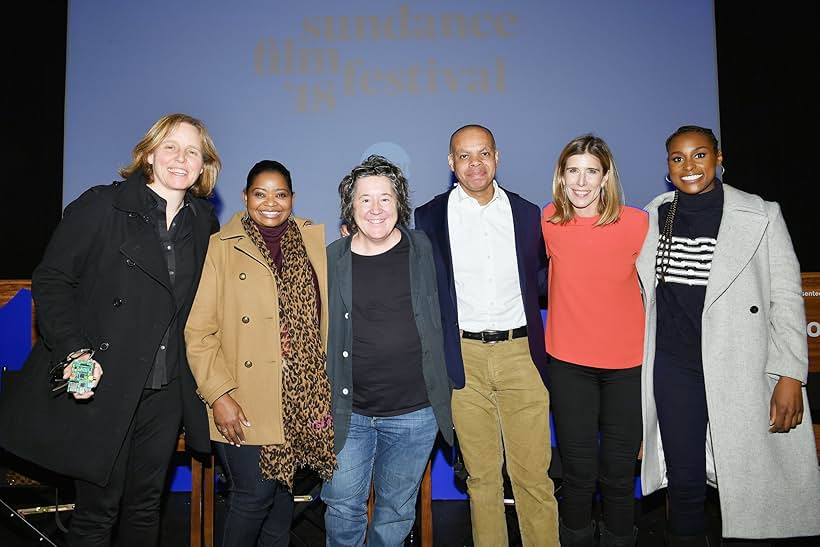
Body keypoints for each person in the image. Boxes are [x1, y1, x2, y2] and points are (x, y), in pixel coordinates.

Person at [0, 113, 221, 546]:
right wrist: (77, 356)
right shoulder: (104, 205)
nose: (181, 158)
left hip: (166, 390)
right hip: (105, 383)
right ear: (149, 155)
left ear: (204, 165)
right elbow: (52, 281)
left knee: (144, 509)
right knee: (97, 512)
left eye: (192, 151)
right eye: (171, 147)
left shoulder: (202, 223)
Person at [637, 125, 820, 544]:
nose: (689, 166)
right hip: (674, 365)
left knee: (751, 478)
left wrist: (791, 374)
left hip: (740, 363)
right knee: (683, 480)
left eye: (699, 155)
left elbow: (787, 298)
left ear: (719, 158)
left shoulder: (761, 214)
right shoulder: (654, 216)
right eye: (678, 158)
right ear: (667, 169)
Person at [414, 125, 559, 546]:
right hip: (463, 360)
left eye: (483, 154)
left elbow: (548, 278)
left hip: (521, 355)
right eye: (464, 155)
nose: (474, 163)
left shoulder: (529, 213)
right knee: (481, 479)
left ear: (497, 156)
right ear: (450, 163)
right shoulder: (428, 218)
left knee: (533, 476)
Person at [185, 160, 335, 546]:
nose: (271, 202)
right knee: (254, 496)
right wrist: (219, 395)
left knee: (282, 502)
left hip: (298, 399)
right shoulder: (222, 247)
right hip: (242, 399)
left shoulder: (311, 243)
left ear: (293, 199)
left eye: (280, 194)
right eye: (260, 193)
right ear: (245, 197)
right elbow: (199, 331)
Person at [322, 155, 453, 547]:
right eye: (364, 200)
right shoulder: (331, 258)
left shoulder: (427, 250)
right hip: (349, 413)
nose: (375, 209)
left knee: (396, 512)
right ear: (350, 207)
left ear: (400, 205)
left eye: (385, 199)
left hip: (415, 412)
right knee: (343, 508)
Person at [541, 134, 648, 546]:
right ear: (561, 176)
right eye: (573, 171)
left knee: (619, 476)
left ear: (606, 177)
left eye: (591, 172)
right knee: (578, 474)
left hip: (626, 367)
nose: (581, 182)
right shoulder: (549, 220)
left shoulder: (637, 223)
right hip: (569, 366)